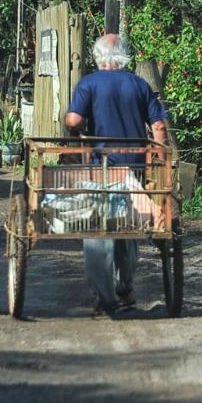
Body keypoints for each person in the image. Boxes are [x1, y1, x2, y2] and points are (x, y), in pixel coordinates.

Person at [65, 33, 169, 314]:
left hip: (102, 169)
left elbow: (74, 120)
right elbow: (158, 127)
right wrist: (162, 162)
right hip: (134, 168)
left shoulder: (88, 83)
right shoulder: (139, 84)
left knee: (98, 227)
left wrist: (72, 122)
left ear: (98, 57)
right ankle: (124, 289)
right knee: (128, 228)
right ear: (123, 56)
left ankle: (105, 296)